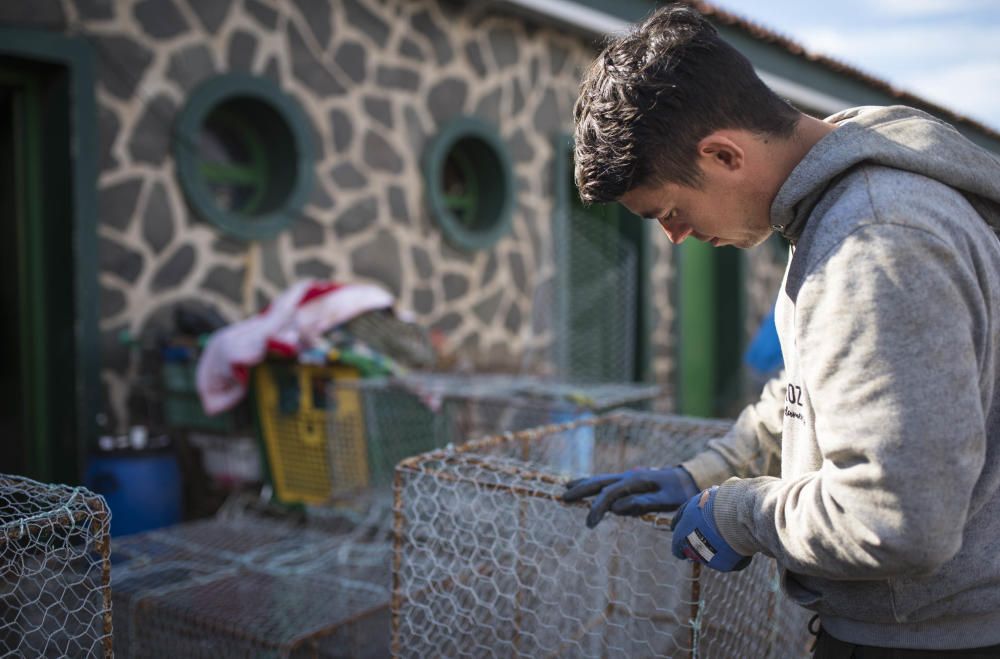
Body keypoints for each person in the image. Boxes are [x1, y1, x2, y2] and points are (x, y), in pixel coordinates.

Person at [562, 4, 1000, 657]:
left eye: (671, 211)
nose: (676, 236)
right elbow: (812, 393)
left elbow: (902, 519)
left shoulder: (875, 242)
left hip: (928, 641)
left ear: (722, 153)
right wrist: (707, 471)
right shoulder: (838, 212)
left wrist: (740, 514)